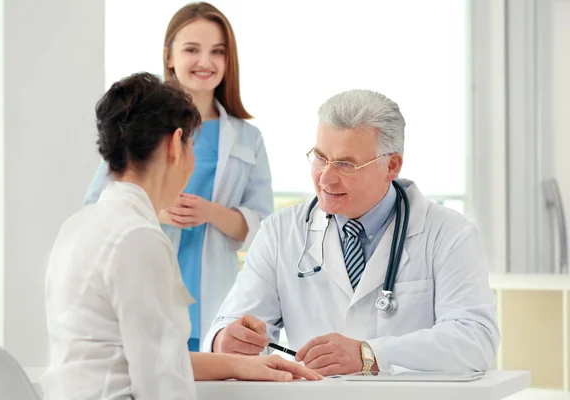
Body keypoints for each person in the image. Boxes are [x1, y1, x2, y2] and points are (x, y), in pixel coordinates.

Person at [41, 73, 321, 400]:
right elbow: (161, 385)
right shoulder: (138, 238)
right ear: (176, 144)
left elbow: (139, 357)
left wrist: (238, 366)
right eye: (192, 145)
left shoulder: (78, 226)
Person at [203, 89, 500, 376]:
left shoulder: (448, 234)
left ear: (391, 166)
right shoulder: (280, 233)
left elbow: (476, 340)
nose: (326, 177)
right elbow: (230, 324)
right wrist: (226, 340)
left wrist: (370, 354)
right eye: (320, 158)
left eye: (345, 164)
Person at [83, 2, 273, 352]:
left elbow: (263, 228)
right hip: (146, 283)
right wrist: (156, 210)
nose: (206, 61)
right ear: (168, 56)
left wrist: (209, 212)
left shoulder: (248, 139)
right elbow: (97, 205)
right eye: (192, 49)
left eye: (218, 51)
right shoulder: (141, 127)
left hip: (214, 293)